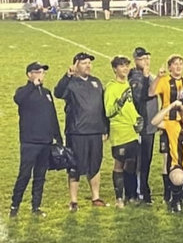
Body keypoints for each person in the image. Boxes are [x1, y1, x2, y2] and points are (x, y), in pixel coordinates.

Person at [54, 52, 109, 211]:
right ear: (76, 65)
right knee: (75, 166)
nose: (88, 66)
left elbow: (102, 107)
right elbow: (58, 93)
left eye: (89, 63)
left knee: (95, 165)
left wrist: (105, 127)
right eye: (84, 63)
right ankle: (73, 200)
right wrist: (67, 76)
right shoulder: (70, 83)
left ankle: (96, 197)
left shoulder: (96, 82)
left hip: (95, 131)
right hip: (77, 132)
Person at [9, 62, 62, 218]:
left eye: (42, 72)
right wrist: (32, 85)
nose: (41, 75)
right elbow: (18, 99)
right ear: (29, 74)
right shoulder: (23, 92)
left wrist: (58, 137)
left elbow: (52, 115)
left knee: (40, 176)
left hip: (46, 141)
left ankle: (36, 206)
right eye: (38, 72)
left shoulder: (46, 93)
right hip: (30, 142)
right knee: (24, 175)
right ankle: (14, 206)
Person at [148, 54, 183, 203]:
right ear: (170, 67)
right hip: (168, 125)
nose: (178, 66)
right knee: (167, 158)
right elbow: (151, 92)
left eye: (181, 64)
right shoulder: (165, 81)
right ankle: (168, 193)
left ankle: (182, 189)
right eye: (175, 64)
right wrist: (158, 78)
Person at [104, 56, 142, 208]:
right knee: (119, 164)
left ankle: (131, 196)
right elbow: (108, 111)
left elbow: (130, 106)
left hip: (132, 131)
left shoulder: (127, 84)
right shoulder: (111, 88)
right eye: (121, 66)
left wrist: (138, 118)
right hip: (119, 131)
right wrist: (120, 102)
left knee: (131, 163)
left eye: (126, 65)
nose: (125, 68)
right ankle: (119, 198)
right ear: (115, 69)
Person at [128, 47, 159, 204]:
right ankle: (141, 193)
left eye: (147, 58)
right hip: (143, 126)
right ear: (135, 60)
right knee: (141, 162)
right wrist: (147, 78)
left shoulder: (146, 75)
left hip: (150, 126)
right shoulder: (136, 78)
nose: (146, 61)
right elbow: (142, 96)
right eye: (142, 59)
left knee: (146, 161)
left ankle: (142, 191)